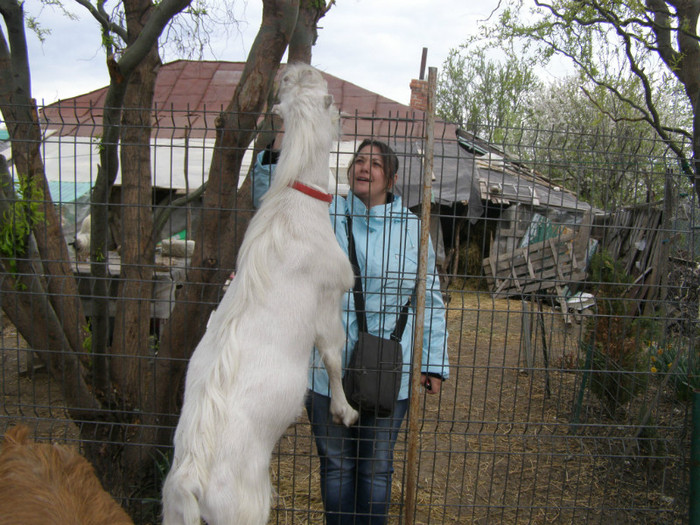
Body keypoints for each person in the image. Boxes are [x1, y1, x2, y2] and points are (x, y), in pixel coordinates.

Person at [253, 137, 449, 524]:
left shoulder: (413, 229)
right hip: (329, 369)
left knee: (376, 467)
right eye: (359, 160)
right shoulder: (324, 215)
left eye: (375, 164)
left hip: (388, 369)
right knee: (337, 466)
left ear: (390, 179)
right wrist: (276, 154)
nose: (364, 167)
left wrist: (433, 361)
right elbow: (274, 205)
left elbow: (432, 298)